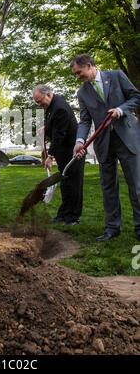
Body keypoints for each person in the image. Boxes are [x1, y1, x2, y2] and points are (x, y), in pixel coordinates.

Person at [71, 54, 140, 242]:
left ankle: (139, 227)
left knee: (136, 185)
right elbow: (85, 120)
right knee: (108, 186)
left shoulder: (116, 76)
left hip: (127, 138)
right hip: (104, 143)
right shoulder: (82, 93)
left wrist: (121, 109)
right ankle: (112, 228)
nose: (78, 77)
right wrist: (79, 140)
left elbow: (136, 97)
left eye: (79, 73)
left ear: (90, 65)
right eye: (75, 75)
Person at [33, 85, 85, 225]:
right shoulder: (52, 105)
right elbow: (56, 125)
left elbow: (59, 135)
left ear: (48, 94)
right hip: (64, 151)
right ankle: (63, 215)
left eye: (40, 101)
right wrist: (46, 127)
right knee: (65, 183)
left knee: (73, 184)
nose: (39, 105)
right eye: (36, 102)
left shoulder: (59, 108)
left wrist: (50, 157)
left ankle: (73, 217)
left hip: (72, 151)